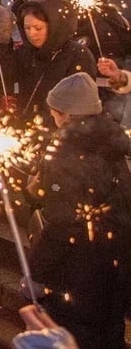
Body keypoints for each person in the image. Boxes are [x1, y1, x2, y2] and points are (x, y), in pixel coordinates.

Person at [27, 73, 131, 349]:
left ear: (67, 114)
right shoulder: (111, 141)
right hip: (115, 264)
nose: (52, 118)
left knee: (74, 335)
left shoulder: (66, 152)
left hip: (77, 271)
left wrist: (37, 272)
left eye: (54, 113)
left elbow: (63, 222)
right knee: (108, 334)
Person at [13, 0, 96, 122]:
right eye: (27, 28)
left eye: (38, 28)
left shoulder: (77, 55)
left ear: (54, 27)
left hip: (61, 126)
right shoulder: (24, 52)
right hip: (25, 125)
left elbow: (80, 106)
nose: (31, 34)